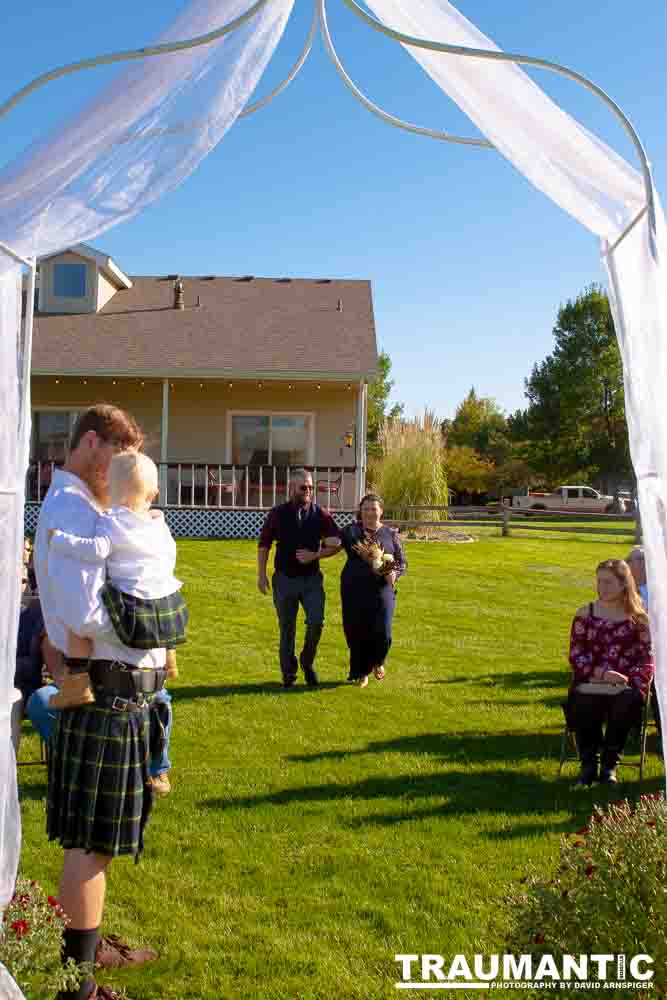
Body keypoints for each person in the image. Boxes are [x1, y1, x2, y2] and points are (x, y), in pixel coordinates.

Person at [33, 404, 162, 1000]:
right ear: (91, 443)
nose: (128, 468)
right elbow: (83, 614)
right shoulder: (68, 510)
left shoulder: (91, 511)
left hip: (114, 697)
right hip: (101, 697)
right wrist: (147, 614)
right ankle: (75, 987)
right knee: (89, 844)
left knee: (97, 844)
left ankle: (85, 954)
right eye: (121, 454)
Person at [568, 559, 654, 786]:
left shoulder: (639, 619)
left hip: (625, 685)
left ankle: (609, 765)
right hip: (591, 680)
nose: (601, 587)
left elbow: (646, 658)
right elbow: (576, 655)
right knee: (583, 698)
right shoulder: (585, 614)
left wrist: (630, 681)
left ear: (624, 584)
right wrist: (604, 675)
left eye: (608, 582)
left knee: (627, 700)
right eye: (599, 581)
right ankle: (588, 764)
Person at [257, 468, 342, 687]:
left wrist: (316, 554)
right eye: (304, 487)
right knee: (287, 628)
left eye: (311, 487)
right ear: (291, 488)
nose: (309, 491)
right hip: (284, 580)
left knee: (317, 622)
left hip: (311, 580)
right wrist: (261, 574)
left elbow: (337, 543)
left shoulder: (320, 514)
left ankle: (307, 661)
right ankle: (288, 674)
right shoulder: (277, 513)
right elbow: (264, 544)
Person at [339, 493, 406, 688]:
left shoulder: (390, 534)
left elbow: (402, 562)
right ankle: (362, 672)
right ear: (360, 511)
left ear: (381, 511)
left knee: (383, 631)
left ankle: (379, 660)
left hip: (382, 590)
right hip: (354, 589)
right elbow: (332, 540)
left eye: (374, 508)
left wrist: (393, 573)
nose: (370, 512)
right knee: (356, 630)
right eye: (366, 508)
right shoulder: (351, 531)